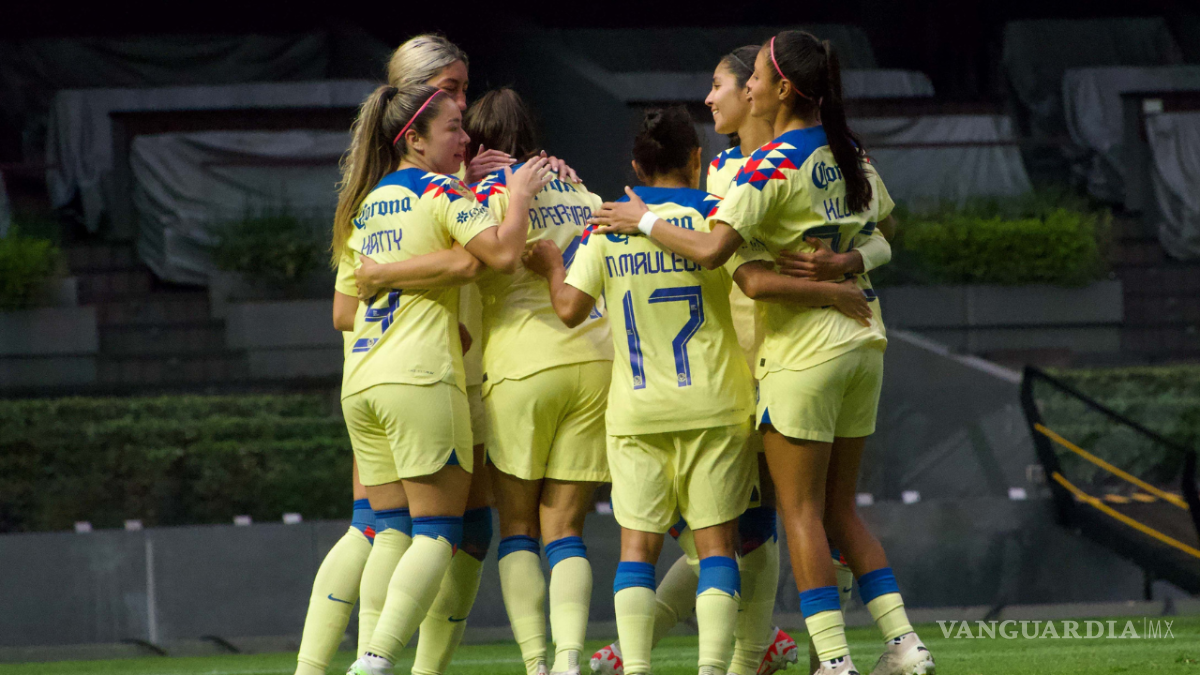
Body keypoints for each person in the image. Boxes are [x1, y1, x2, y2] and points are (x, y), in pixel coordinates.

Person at [587, 31, 932, 675]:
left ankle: (782, 653)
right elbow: (881, 230)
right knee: (749, 526)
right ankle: (830, 643)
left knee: (758, 523)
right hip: (790, 351)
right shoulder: (812, 155)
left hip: (777, 359)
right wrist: (844, 269)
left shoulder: (750, 172)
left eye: (727, 83)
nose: (718, 95)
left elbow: (737, 268)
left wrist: (643, 222)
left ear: (768, 90)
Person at [531, 106, 875, 675]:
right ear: (697, 160)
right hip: (716, 406)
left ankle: (636, 667)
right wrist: (835, 289)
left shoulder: (607, 225)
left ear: (637, 165)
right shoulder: (716, 218)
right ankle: (716, 668)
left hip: (637, 411)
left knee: (636, 551)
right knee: (718, 549)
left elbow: (569, 309)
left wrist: (549, 265)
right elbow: (757, 283)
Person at [332, 83, 554, 675]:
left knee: (389, 532)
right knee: (438, 532)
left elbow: (343, 310)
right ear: (414, 138)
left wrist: (400, 277)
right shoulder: (438, 190)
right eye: (454, 128)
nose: (464, 139)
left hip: (362, 381)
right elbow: (502, 255)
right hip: (421, 375)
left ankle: (345, 660)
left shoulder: (366, 201)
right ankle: (376, 661)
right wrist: (517, 195)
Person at [464, 88, 613, 675]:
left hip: (522, 365)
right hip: (594, 359)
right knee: (567, 529)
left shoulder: (472, 199)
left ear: (474, 142)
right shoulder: (581, 189)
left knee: (520, 529)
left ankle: (537, 665)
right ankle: (573, 660)